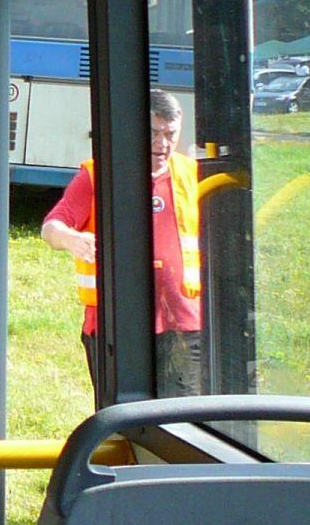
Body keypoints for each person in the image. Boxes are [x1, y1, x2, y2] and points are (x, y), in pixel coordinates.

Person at [41, 88, 202, 397]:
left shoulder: (192, 174)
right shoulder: (98, 175)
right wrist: (71, 238)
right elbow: (51, 228)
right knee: (122, 414)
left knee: (182, 418)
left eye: (170, 134)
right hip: (115, 325)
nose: (162, 144)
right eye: (153, 133)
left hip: (184, 324)